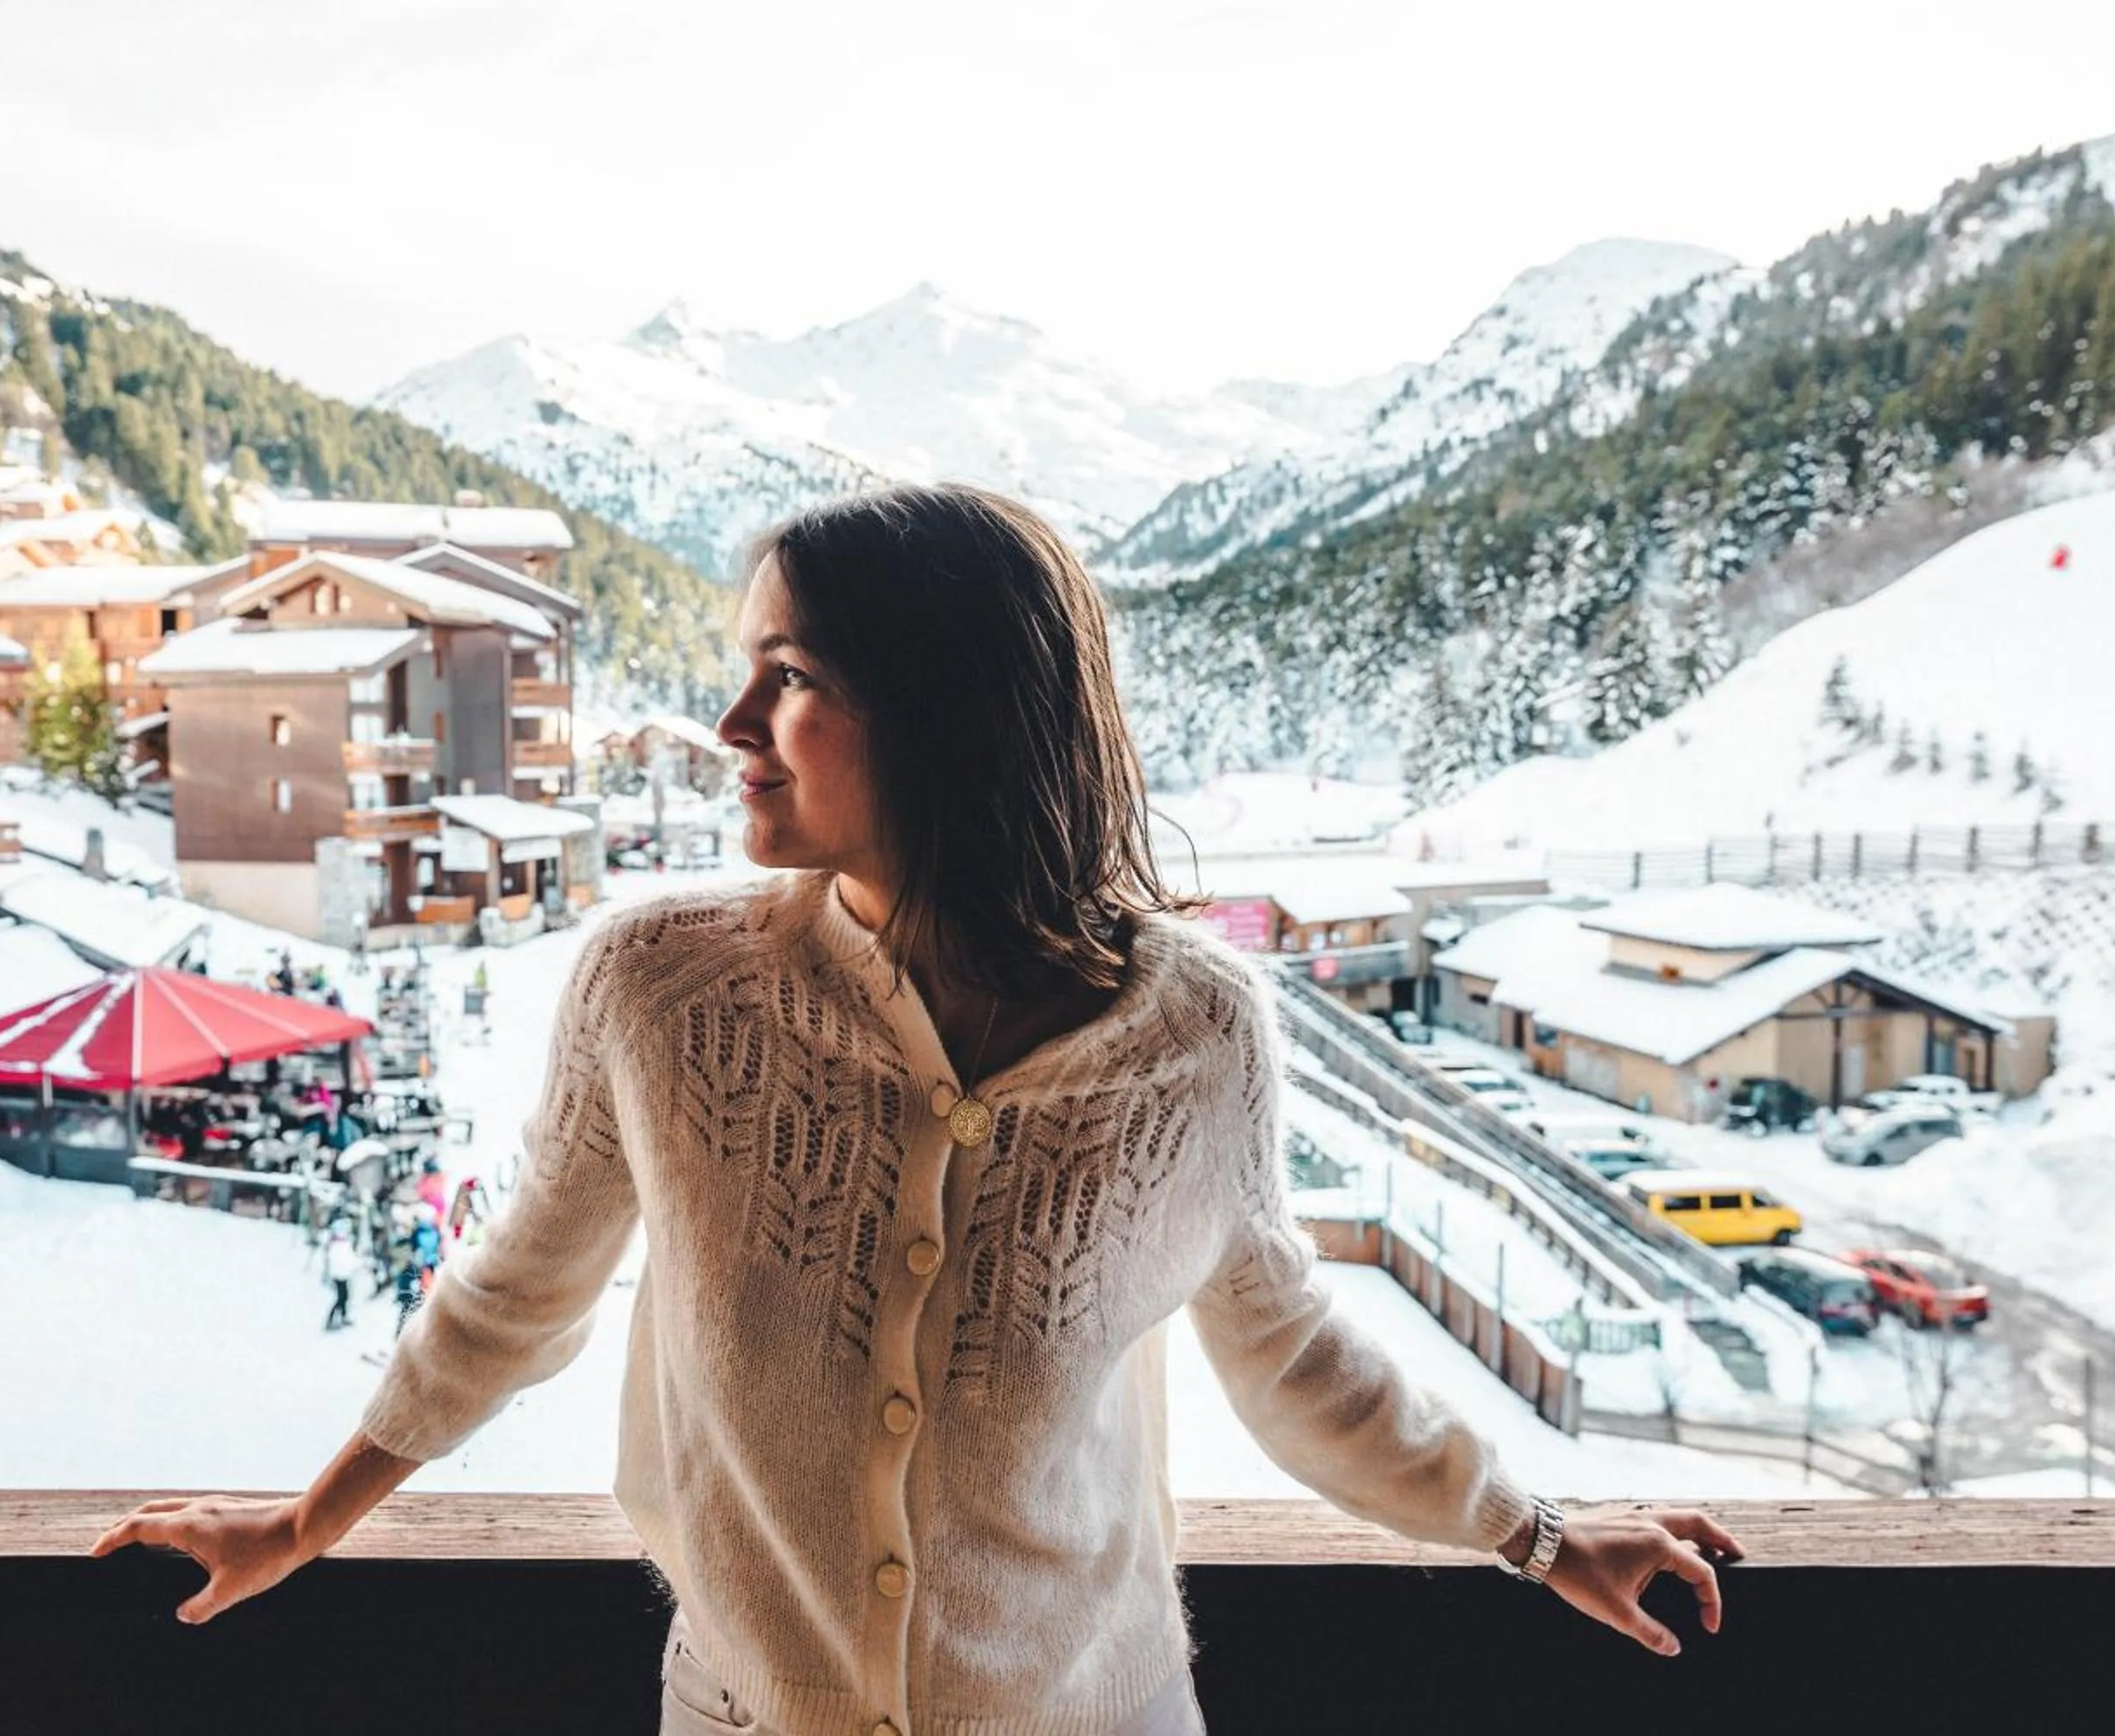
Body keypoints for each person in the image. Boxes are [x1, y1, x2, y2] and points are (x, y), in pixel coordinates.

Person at [93, 485, 1741, 1733]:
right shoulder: (663, 994)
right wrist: (308, 1522)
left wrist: (1533, 1534)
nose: (733, 728)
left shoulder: (1195, 1036)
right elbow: (516, 1289)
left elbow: (1291, 1347)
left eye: (789, 677)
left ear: (952, 715)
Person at [321, 1229, 357, 1332]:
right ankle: (331, 1320)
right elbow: (335, 1262)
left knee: (345, 1297)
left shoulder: (344, 1246)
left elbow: (349, 1260)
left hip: (344, 1275)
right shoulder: (335, 1247)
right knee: (341, 1298)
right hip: (338, 1276)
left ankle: (343, 1317)